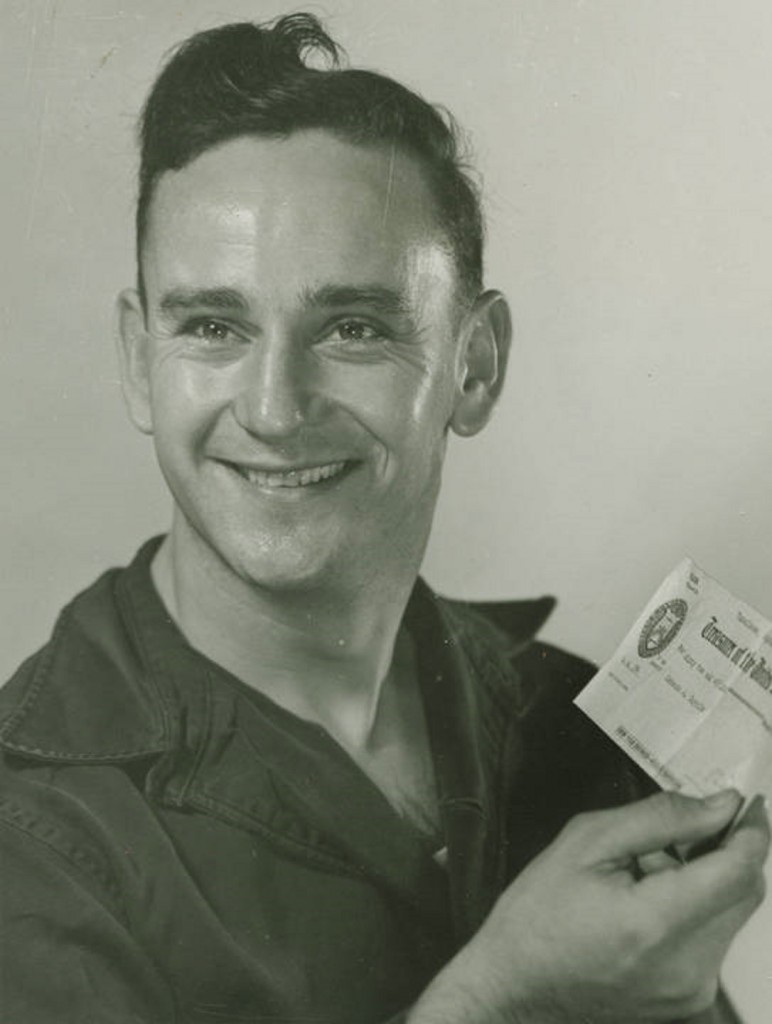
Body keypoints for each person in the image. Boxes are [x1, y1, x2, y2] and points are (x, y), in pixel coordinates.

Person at [0, 13, 767, 1024]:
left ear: (475, 365)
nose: (273, 409)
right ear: (141, 360)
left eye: (353, 326)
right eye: (213, 326)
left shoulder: (572, 726)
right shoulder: (33, 845)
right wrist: (499, 1002)